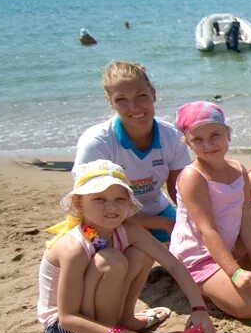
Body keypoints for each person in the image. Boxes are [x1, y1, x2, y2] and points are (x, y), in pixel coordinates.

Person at [38, 160, 215, 333]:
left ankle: (126, 320)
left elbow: (172, 263)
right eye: (99, 199)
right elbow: (67, 318)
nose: (111, 206)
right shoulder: (73, 248)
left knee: (143, 253)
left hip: (89, 321)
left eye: (120, 199)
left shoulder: (126, 229)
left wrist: (199, 309)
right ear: (79, 203)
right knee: (111, 261)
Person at [170, 102, 251, 320]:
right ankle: (204, 284)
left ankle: (243, 267)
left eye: (215, 135)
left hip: (228, 246)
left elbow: (247, 216)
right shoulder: (193, 177)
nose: (208, 144)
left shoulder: (237, 169)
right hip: (199, 256)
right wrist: (235, 272)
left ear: (228, 134)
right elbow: (206, 230)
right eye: (198, 139)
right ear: (187, 142)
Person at [75, 61, 192, 243]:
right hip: (106, 217)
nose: (134, 107)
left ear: (153, 94)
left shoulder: (172, 136)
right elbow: (89, 206)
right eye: (121, 99)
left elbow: (180, 191)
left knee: (194, 237)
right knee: (120, 259)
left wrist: (195, 220)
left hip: (155, 208)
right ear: (110, 101)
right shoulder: (96, 142)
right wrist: (157, 223)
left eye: (141, 96)